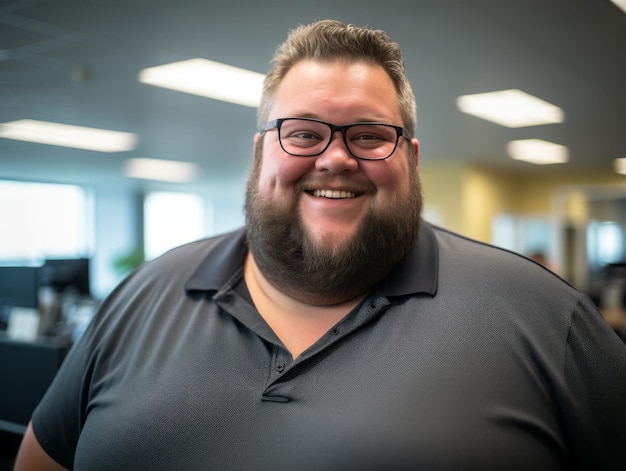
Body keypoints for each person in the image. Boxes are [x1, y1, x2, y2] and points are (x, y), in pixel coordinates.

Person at [14, 19, 626, 471]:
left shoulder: (547, 318)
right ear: (260, 154)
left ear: (410, 159)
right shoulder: (141, 295)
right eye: (302, 133)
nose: (335, 158)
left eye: (368, 134)